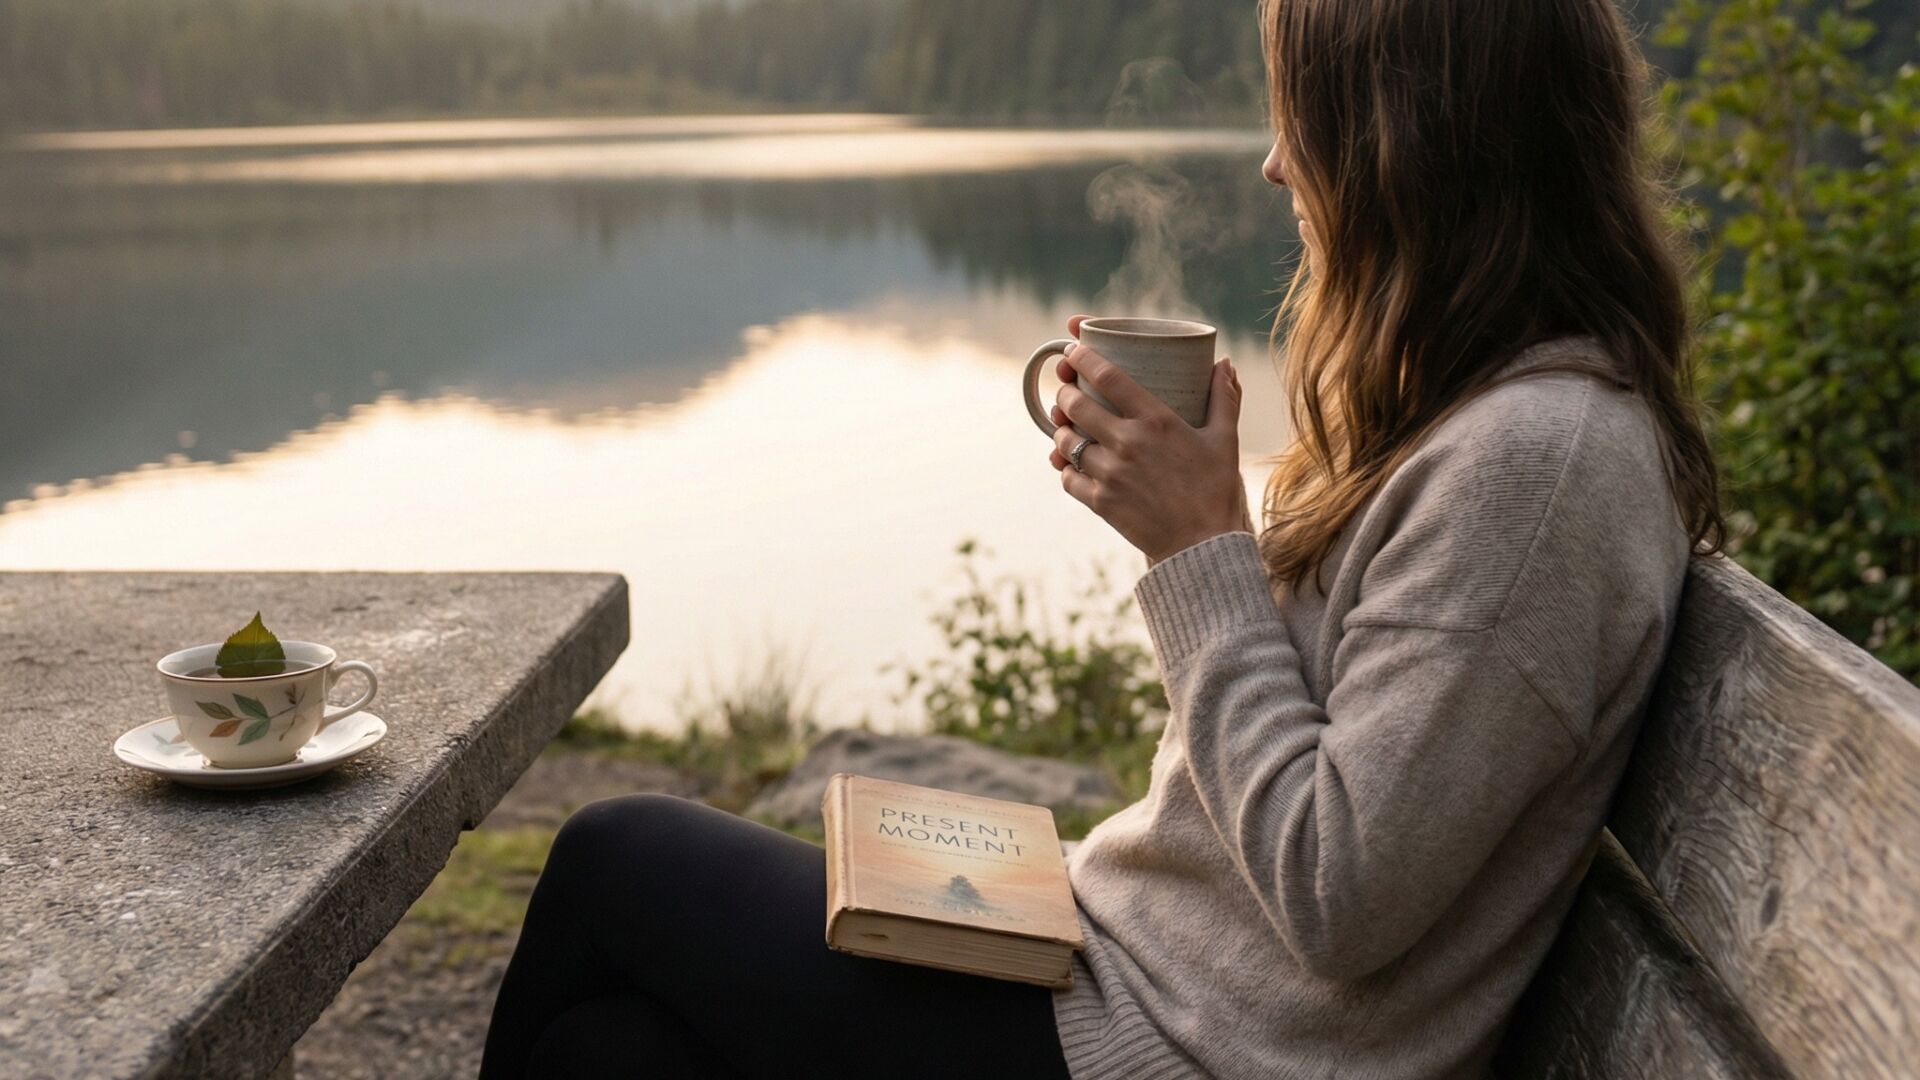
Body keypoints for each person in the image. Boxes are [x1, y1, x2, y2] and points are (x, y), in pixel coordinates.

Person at [479, 0, 1724, 1075]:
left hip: (1186, 1048)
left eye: (1305, 117)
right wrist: (1211, 539)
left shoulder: (1537, 466)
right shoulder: (1483, 419)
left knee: (613, 857)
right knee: (611, 1054)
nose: (1275, 166)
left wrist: (1197, 554)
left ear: (1409, 141)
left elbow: (1338, 895)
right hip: (1135, 977)